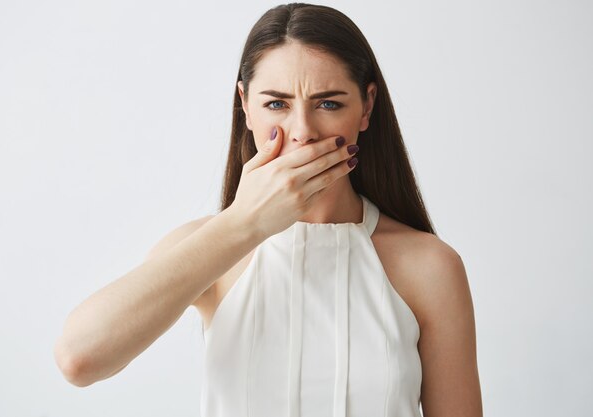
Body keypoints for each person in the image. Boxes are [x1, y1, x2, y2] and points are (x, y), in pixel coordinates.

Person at [54, 3, 483, 416]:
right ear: (245, 105)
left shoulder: (429, 267)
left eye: (329, 103)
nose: (302, 132)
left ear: (366, 107)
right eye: (276, 104)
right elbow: (79, 358)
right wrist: (244, 223)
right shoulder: (209, 248)